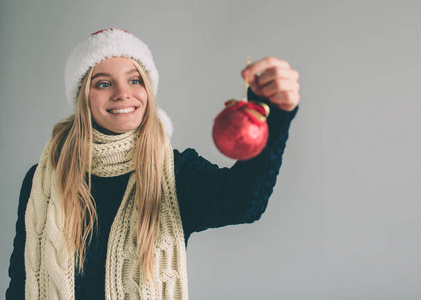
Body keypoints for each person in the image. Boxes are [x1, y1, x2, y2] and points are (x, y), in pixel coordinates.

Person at [6, 28, 300, 299]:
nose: (123, 93)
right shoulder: (43, 180)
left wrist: (271, 112)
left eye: (134, 80)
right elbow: (20, 282)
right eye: (104, 83)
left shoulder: (177, 173)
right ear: (83, 97)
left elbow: (245, 202)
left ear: (148, 89)